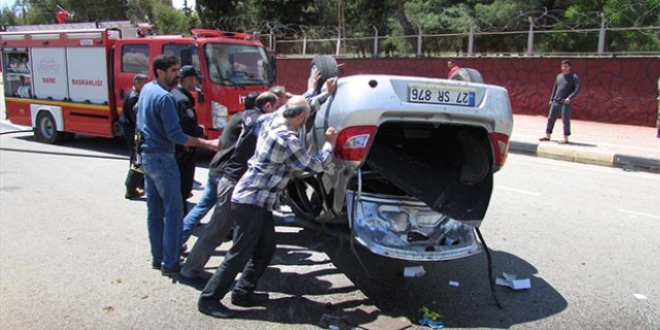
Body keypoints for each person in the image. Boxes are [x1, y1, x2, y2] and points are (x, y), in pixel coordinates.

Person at [197, 95, 339, 318]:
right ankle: (209, 299)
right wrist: (330, 143)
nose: (305, 122)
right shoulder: (286, 138)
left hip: (256, 200)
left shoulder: (273, 118)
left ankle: (243, 292)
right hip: (250, 202)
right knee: (239, 253)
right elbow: (314, 165)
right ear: (300, 116)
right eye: (306, 118)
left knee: (265, 248)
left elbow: (298, 104)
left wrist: (319, 94)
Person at [180, 92, 279, 280]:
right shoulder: (251, 121)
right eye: (274, 106)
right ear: (265, 106)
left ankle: (242, 268)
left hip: (224, 174)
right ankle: (191, 268)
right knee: (218, 227)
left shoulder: (242, 117)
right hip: (228, 177)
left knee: (239, 225)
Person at [137, 54, 218, 276]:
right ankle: (171, 262)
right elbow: (176, 136)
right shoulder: (165, 98)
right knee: (173, 211)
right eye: (173, 71)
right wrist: (207, 143)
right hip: (162, 158)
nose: (177, 75)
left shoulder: (146, 90)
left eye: (177, 70)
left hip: (147, 156)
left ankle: (159, 256)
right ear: (160, 72)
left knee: (154, 209)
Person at [180, 91, 259, 244]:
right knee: (228, 216)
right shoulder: (250, 121)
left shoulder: (237, 117)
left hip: (216, 168)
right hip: (226, 174)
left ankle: (176, 242)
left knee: (201, 208)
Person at [171, 65, 205, 215]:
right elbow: (187, 127)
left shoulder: (175, 94)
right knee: (182, 188)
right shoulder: (182, 100)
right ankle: (181, 222)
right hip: (183, 151)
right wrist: (200, 131)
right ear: (189, 79)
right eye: (195, 80)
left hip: (178, 149)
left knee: (179, 188)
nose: (196, 83)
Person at [120, 73, 148, 199]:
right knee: (136, 159)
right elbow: (137, 119)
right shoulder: (133, 98)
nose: (145, 86)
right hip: (131, 130)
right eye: (143, 83)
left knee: (137, 160)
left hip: (133, 129)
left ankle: (137, 185)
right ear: (136, 82)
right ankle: (132, 188)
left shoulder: (135, 95)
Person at [540, 59, 580, 144]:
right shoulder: (559, 76)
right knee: (551, 118)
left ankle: (566, 138)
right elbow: (555, 88)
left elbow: (577, 89)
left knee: (565, 120)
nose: (564, 68)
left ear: (570, 67)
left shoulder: (574, 77)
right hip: (556, 101)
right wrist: (551, 99)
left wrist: (570, 98)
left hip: (565, 102)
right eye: (562, 66)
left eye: (566, 66)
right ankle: (548, 135)